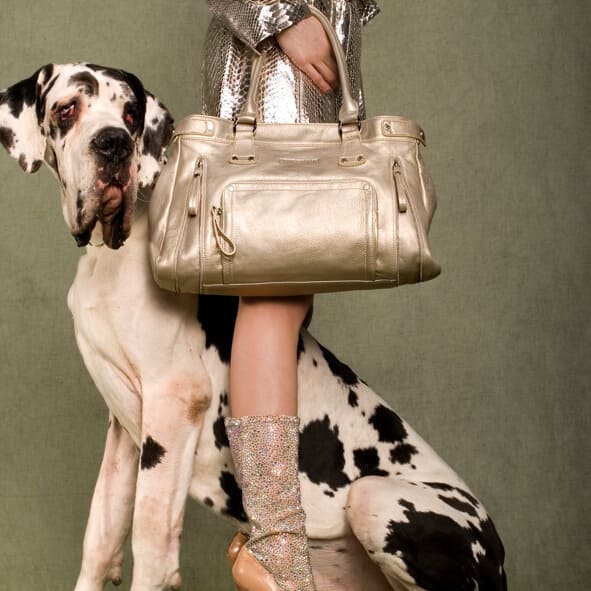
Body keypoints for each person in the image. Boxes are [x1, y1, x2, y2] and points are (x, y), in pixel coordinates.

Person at [202, 2, 380, 590]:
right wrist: (280, 16)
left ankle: (276, 542)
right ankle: (276, 549)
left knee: (285, 296)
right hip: (279, 57)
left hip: (316, 54)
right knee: (272, 296)